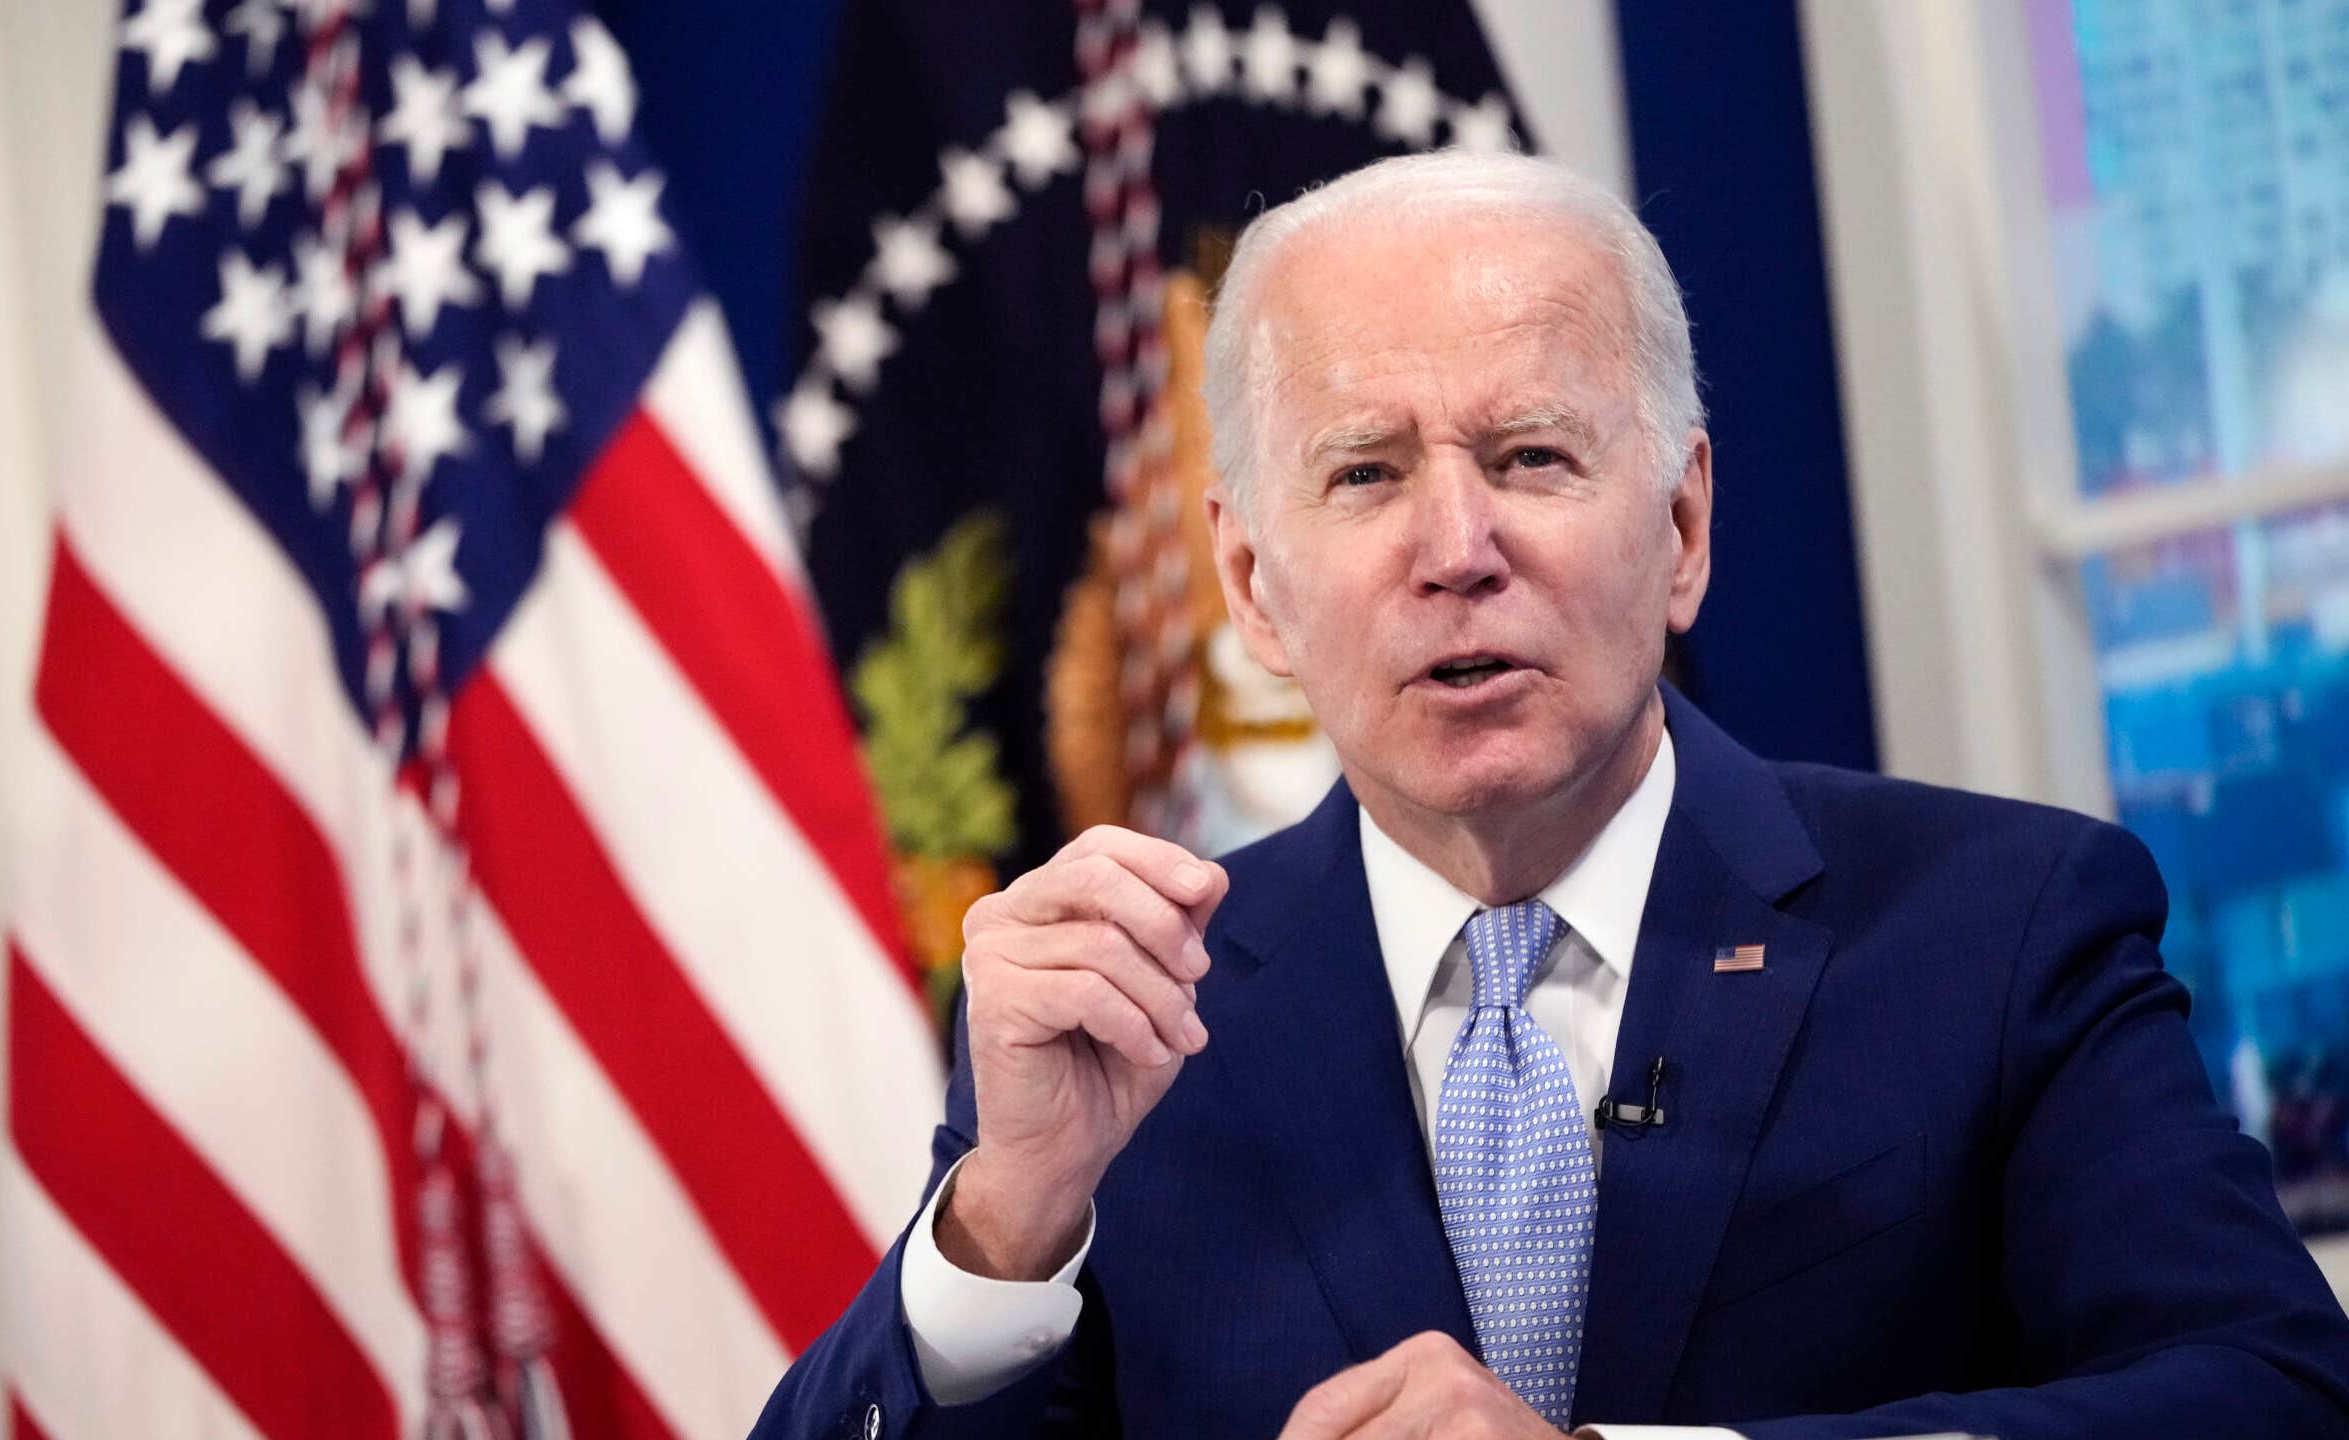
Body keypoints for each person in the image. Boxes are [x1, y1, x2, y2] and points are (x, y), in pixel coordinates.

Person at [751, 151, 2349, 1439]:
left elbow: (2271, 1396)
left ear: (1682, 528)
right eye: (1366, 474)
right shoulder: (1135, 1023)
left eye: (1530, 456)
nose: (1458, 550)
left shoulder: (1999, 930)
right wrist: (1005, 1224)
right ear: (1250, 586)